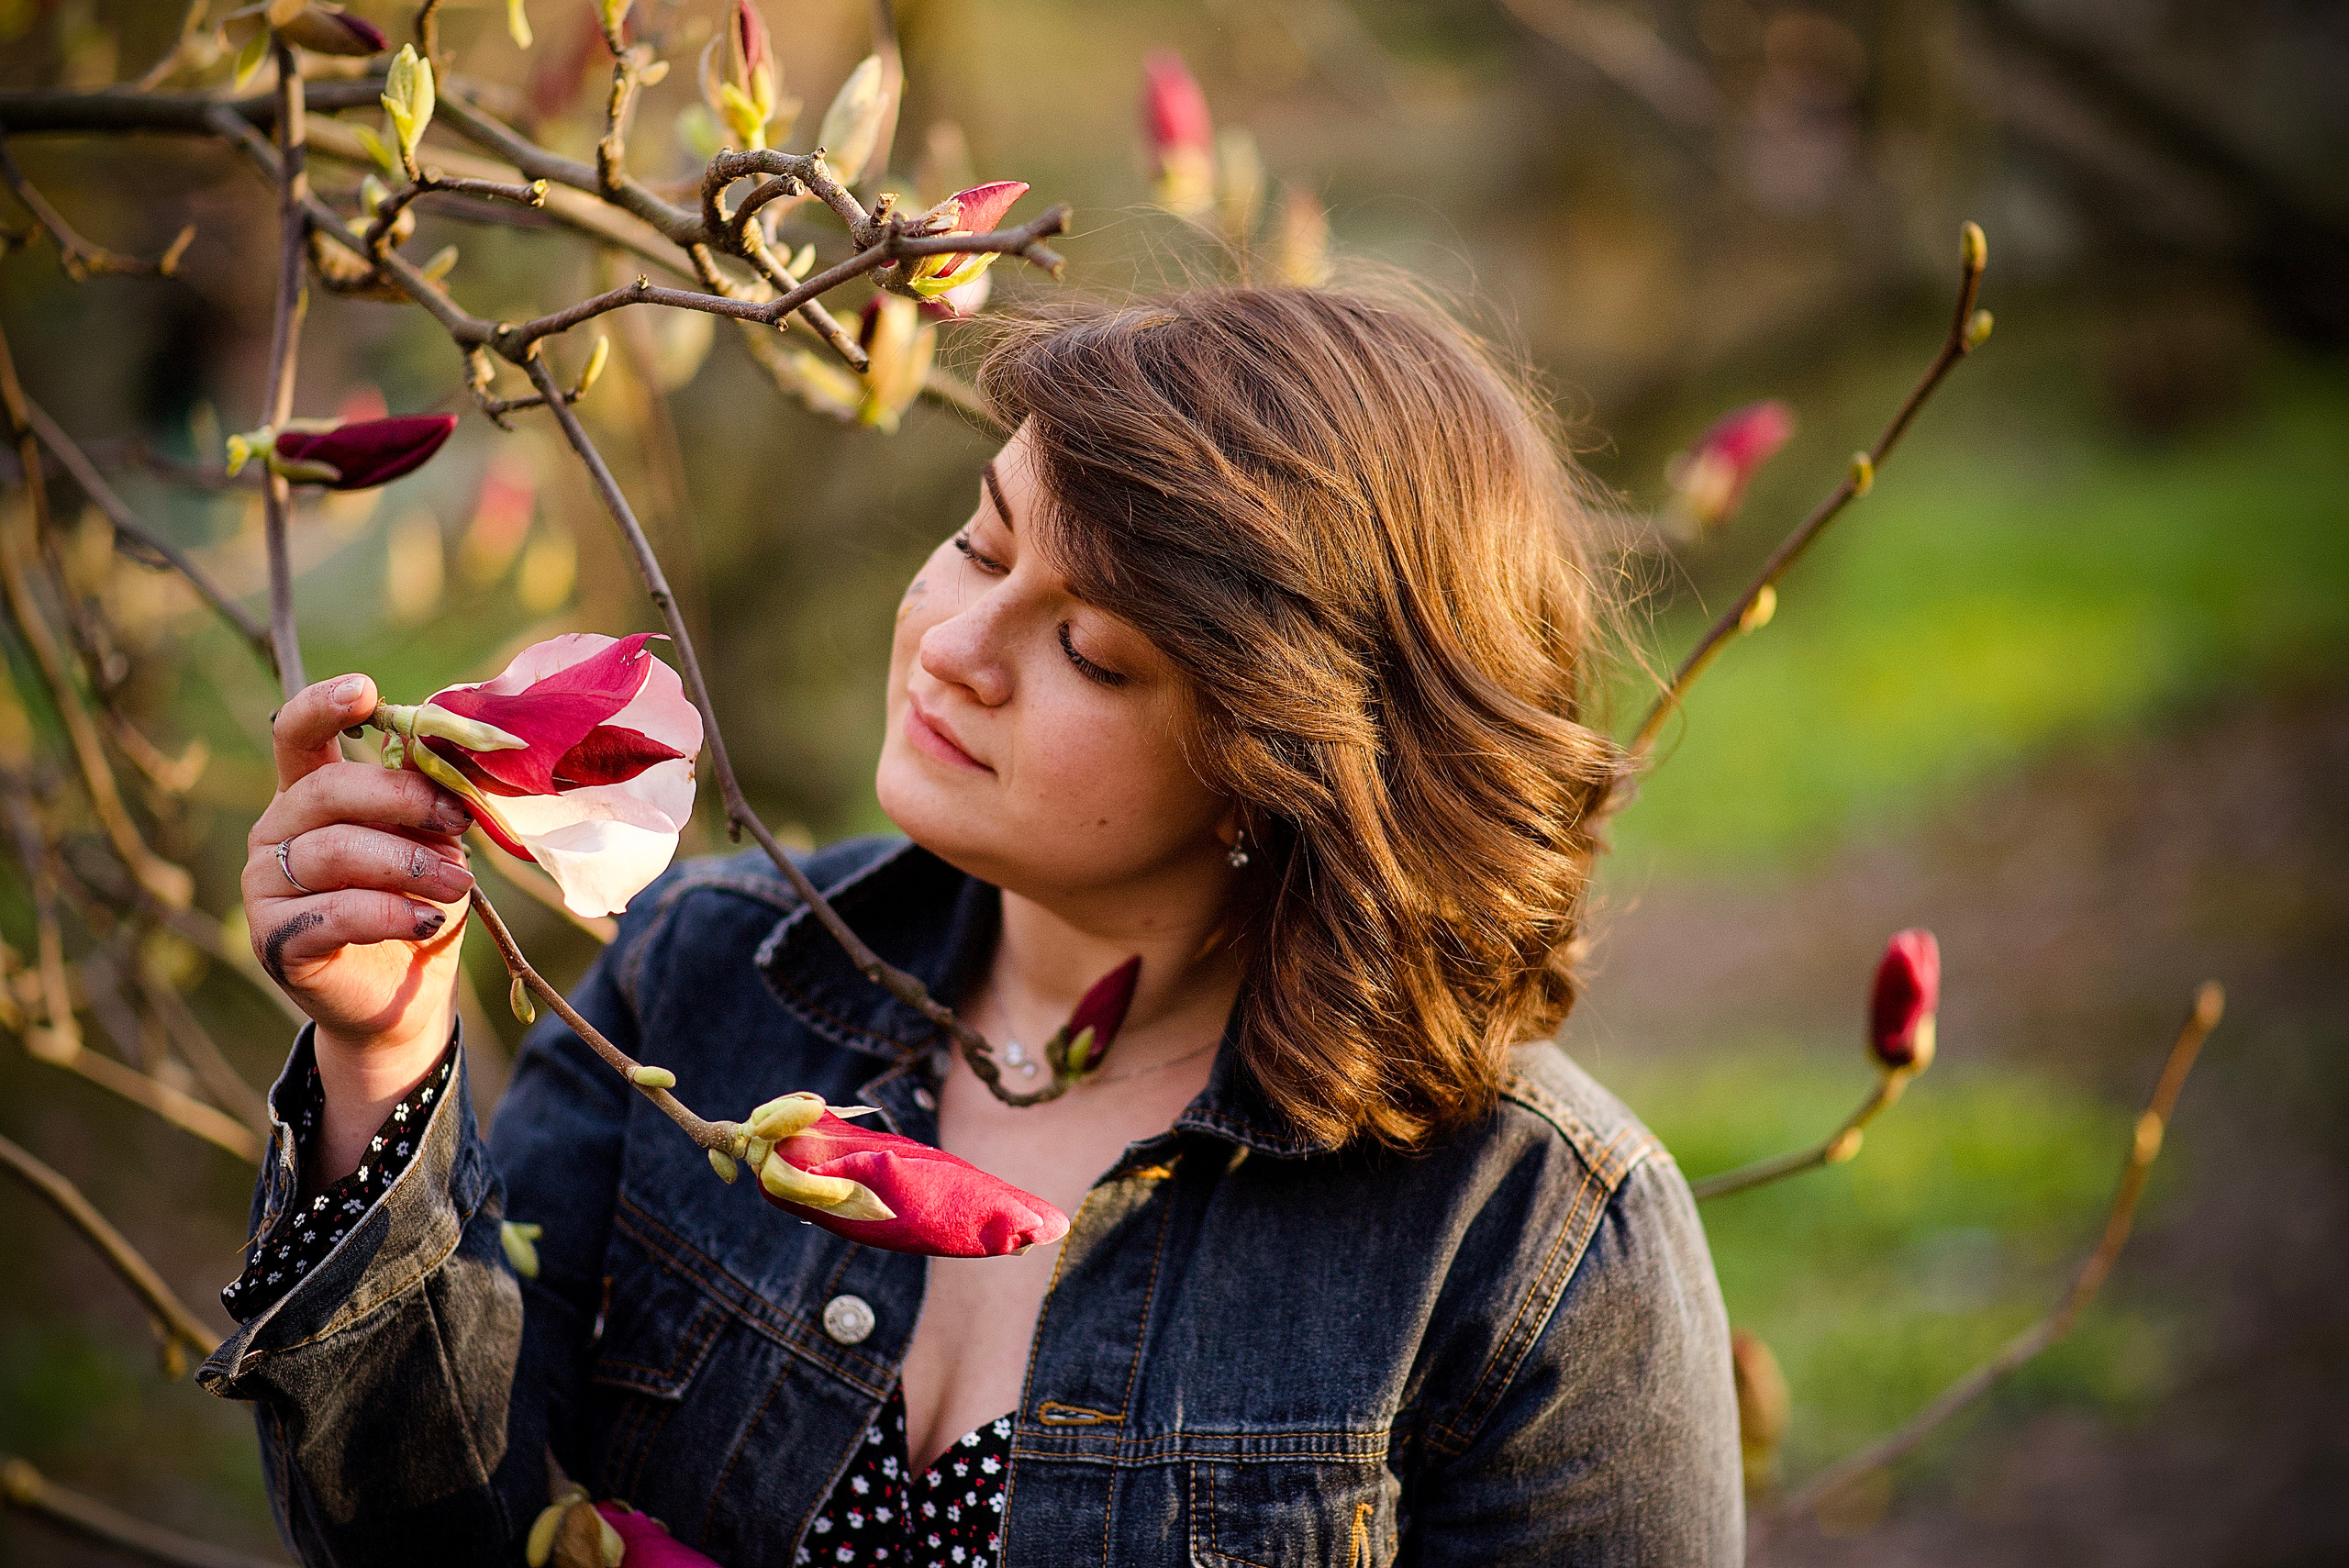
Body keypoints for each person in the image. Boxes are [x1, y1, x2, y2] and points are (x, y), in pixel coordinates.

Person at [207, 287, 1741, 1567]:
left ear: (1282, 769)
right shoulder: (711, 977)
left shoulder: (1531, 1241)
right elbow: (418, 1537)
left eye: (1084, 646)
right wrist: (388, 1060)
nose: (955, 645)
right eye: (981, 541)